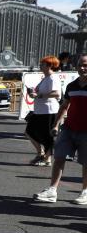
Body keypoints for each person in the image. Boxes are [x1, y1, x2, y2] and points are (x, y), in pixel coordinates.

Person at [33, 54, 87, 205]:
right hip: (69, 128)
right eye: (80, 65)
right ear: (76, 67)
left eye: (86, 65)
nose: (83, 68)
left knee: (86, 162)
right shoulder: (72, 86)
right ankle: (52, 190)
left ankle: (85, 192)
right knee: (59, 158)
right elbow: (64, 106)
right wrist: (56, 124)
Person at [25, 55, 61, 166]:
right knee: (29, 131)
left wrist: (39, 95)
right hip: (40, 111)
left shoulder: (52, 78)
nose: (40, 65)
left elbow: (56, 93)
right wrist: (33, 93)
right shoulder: (45, 78)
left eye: (43, 64)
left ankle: (47, 160)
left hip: (49, 111)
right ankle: (40, 154)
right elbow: (38, 94)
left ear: (49, 66)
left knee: (46, 136)